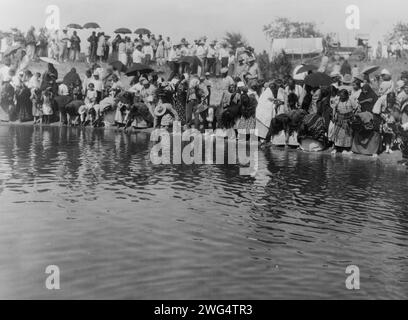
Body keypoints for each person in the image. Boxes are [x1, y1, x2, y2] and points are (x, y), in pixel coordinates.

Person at [329, 89, 360, 154]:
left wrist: (353, 115)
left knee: (347, 135)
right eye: (341, 96)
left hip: (348, 120)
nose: (342, 98)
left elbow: (356, 107)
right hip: (339, 120)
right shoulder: (337, 100)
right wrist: (334, 116)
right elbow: (334, 108)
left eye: (343, 96)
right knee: (338, 134)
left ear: (346, 96)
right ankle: (337, 148)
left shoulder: (351, 100)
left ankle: (346, 148)